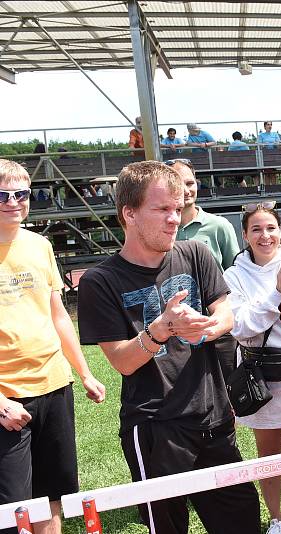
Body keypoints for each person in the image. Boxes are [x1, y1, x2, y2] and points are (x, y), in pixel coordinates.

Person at [77, 161, 260, 534]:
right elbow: (123, 362)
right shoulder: (100, 281)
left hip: (214, 417)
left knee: (241, 519)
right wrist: (159, 330)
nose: (174, 218)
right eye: (162, 209)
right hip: (154, 427)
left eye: (177, 209)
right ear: (129, 213)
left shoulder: (195, 253)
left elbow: (225, 315)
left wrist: (202, 330)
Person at [0, 159, 106, 534]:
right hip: (8, 397)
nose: (13, 202)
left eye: (21, 194)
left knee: (52, 498)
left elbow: (59, 315)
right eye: (3, 195)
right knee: (12, 510)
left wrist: (85, 373)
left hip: (54, 386)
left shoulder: (41, 245)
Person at [224, 202, 281, 534]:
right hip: (261, 376)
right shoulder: (234, 275)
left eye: (271, 228)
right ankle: (275, 517)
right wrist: (278, 293)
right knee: (269, 452)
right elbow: (242, 327)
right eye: (256, 229)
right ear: (245, 235)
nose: (265, 236)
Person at [167, 159, 240, 270]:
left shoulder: (219, 226)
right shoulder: (159, 229)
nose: (186, 191)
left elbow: (236, 273)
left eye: (190, 183)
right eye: (178, 184)